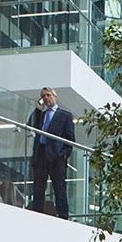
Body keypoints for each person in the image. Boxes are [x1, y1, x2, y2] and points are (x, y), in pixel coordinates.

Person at [29, 86, 75, 219]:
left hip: (57, 156)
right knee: (38, 187)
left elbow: (70, 138)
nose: (46, 98)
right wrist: (38, 109)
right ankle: (37, 214)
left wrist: (64, 154)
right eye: (43, 96)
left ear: (55, 96)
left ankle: (63, 216)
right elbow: (30, 125)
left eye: (48, 95)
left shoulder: (65, 115)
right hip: (41, 153)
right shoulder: (41, 115)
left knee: (59, 187)